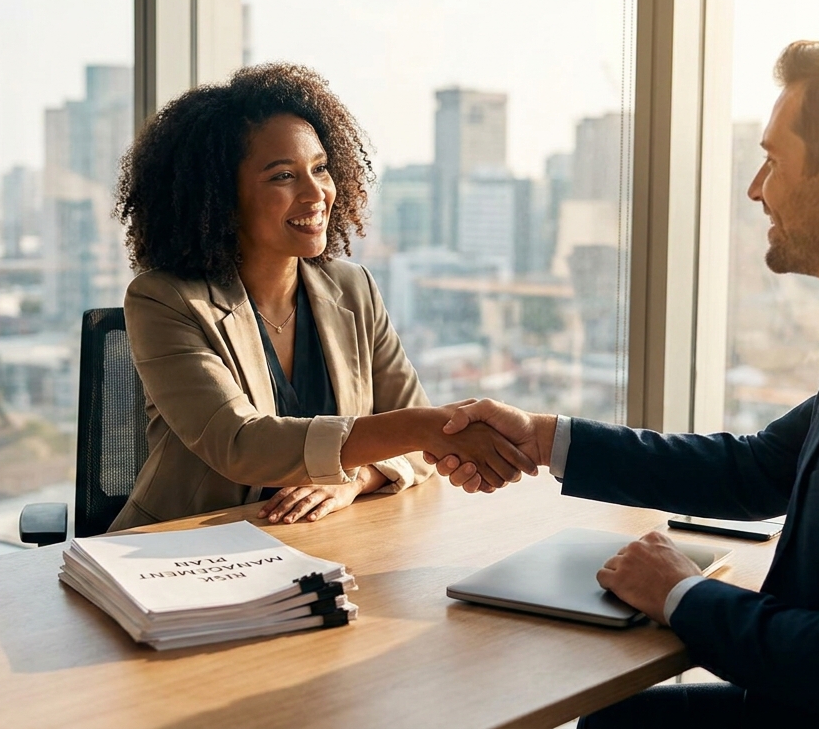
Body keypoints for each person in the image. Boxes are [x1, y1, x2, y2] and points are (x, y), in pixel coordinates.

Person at [431, 32, 819, 727]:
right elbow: (761, 468)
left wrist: (679, 593)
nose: (756, 189)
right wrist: (546, 438)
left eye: (773, 160)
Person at [110, 63, 530, 530]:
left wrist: (356, 478)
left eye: (321, 168)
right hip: (185, 546)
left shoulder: (354, 289)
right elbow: (240, 445)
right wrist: (425, 426)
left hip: (323, 542)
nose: (316, 194)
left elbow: (418, 452)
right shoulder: (164, 300)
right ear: (219, 196)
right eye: (283, 176)